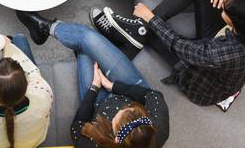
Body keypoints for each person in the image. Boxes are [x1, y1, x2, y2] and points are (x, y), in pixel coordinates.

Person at [91, 0, 245, 106]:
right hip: (216, 43)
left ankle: (133, 32)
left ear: (235, 26)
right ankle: (136, 31)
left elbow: (179, 46)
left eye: (226, 11)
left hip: (199, 80)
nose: (223, 6)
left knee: (156, 30)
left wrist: (151, 18)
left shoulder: (226, 54)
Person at [16, 11, 169, 148]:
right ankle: (46, 27)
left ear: (116, 139)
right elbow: (153, 96)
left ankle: (119, 45)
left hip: (98, 102)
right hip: (129, 89)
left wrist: (94, 88)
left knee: (85, 50)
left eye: (118, 115)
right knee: (87, 37)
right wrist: (113, 87)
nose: (122, 108)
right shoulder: (158, 129)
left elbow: (77, 127)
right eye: (130, 110)